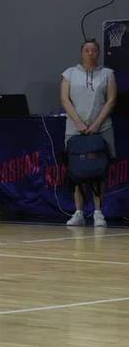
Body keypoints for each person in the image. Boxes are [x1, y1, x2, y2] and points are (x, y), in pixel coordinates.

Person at [61, 39, 117, 227]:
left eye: (94, 50)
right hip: (75, 129)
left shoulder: (108, 74)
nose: (90, 53)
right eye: (87, 50)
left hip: (101, 128)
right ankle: (78, 212)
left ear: (98, 53)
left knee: (98, 169)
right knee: (77, 170)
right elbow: (65, 99)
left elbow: (111, 100)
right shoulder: (69, 73)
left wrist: (96, 123)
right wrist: (78, 121)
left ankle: (98, 212)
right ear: (81, 53)